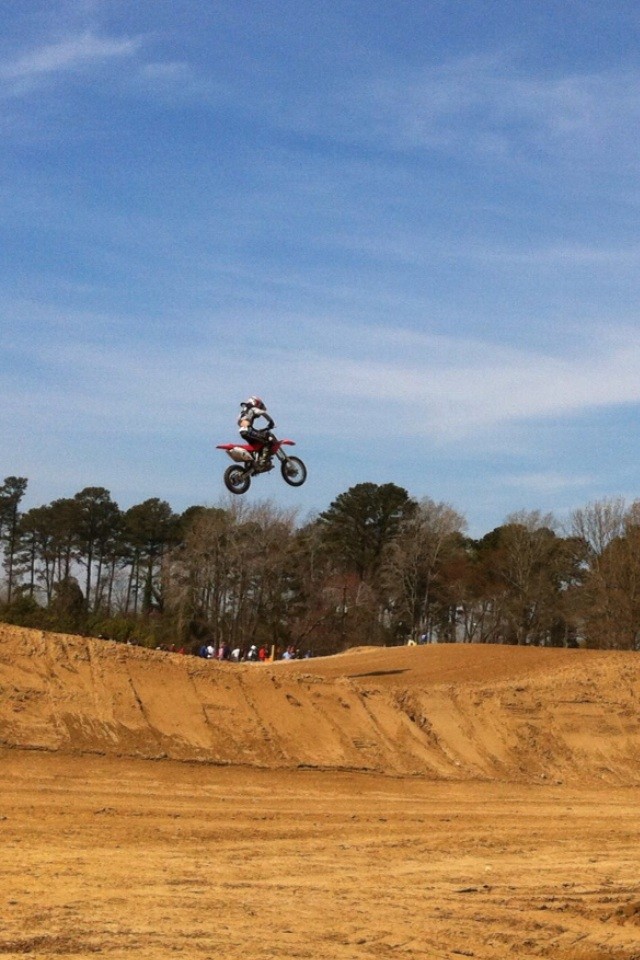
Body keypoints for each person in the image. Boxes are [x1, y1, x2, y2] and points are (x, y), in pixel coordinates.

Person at [238, 396, 275, 463]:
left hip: (242, 431)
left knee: (256, 445)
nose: (259, 407)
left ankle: (254, 461)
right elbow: (262, 412)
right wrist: (271, 421)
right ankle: (263, 460)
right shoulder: (253, 409)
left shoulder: (243, 412)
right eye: (259, 405)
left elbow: (238, 422)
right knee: (267, 442)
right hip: (248, 431)